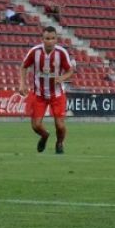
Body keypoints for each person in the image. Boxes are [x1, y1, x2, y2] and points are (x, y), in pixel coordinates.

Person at [19, 26, 74, 154]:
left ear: (56, 39)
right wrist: (22, 84)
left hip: (57, 94)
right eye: (47, 39)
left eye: (53, 38)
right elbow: (23, 66)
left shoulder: (61, 53)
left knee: (60, 125)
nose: (50, 41)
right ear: (42, 39)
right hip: (39, 94)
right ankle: (45, 136)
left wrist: (62, 77)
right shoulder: (34, 52)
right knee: (36, 126)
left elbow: (70, 71)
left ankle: (59, 143)